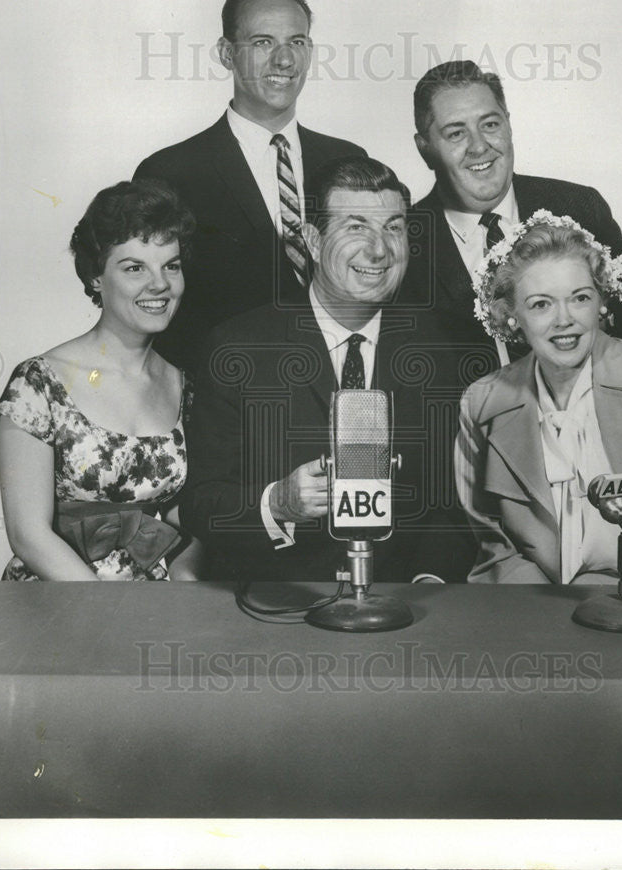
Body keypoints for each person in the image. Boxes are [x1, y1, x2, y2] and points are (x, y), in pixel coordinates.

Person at [182, 156, 476, 583]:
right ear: (314, 242)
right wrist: (276, 504)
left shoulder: (441, 351)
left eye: (393, 227)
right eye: (356, 227)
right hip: (279, 610)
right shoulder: (237, 349)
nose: (378, 250)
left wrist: (429, 584)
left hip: (407, 611)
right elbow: (201, 505)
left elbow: (454, 507)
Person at [455, 211, 622, 585]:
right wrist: (544, 612)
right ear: (511, 317)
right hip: (536, 611)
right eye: (541, 304)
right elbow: (493, 546)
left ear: (602, 303)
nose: (564, 319)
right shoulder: (483, 402)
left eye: (579, 298)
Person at [134, 0, 367, 372]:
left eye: (296, 42)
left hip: (339, 393)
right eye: (263, 43)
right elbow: (152, 309)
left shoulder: (348, 161)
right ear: (227, 53)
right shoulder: (171, 173)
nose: (284, 60)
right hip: (225, 404)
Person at [403, 60, 622, 376]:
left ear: (508, 125)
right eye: (456, 133)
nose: (479, 146)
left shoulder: (577, 205)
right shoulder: (404, 238)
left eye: (490, 125)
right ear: (425, 149)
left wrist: (587, 352)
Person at [0, 179, 203, 581]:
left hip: (151, 602)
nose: (159, 283)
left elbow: (183, 528)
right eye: (134, 268)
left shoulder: (184, 386)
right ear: (95, 277)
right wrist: (109, 618)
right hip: (60, 600)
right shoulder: (38, 383)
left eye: (171, 266)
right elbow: (28, 535)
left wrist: (186, 594)